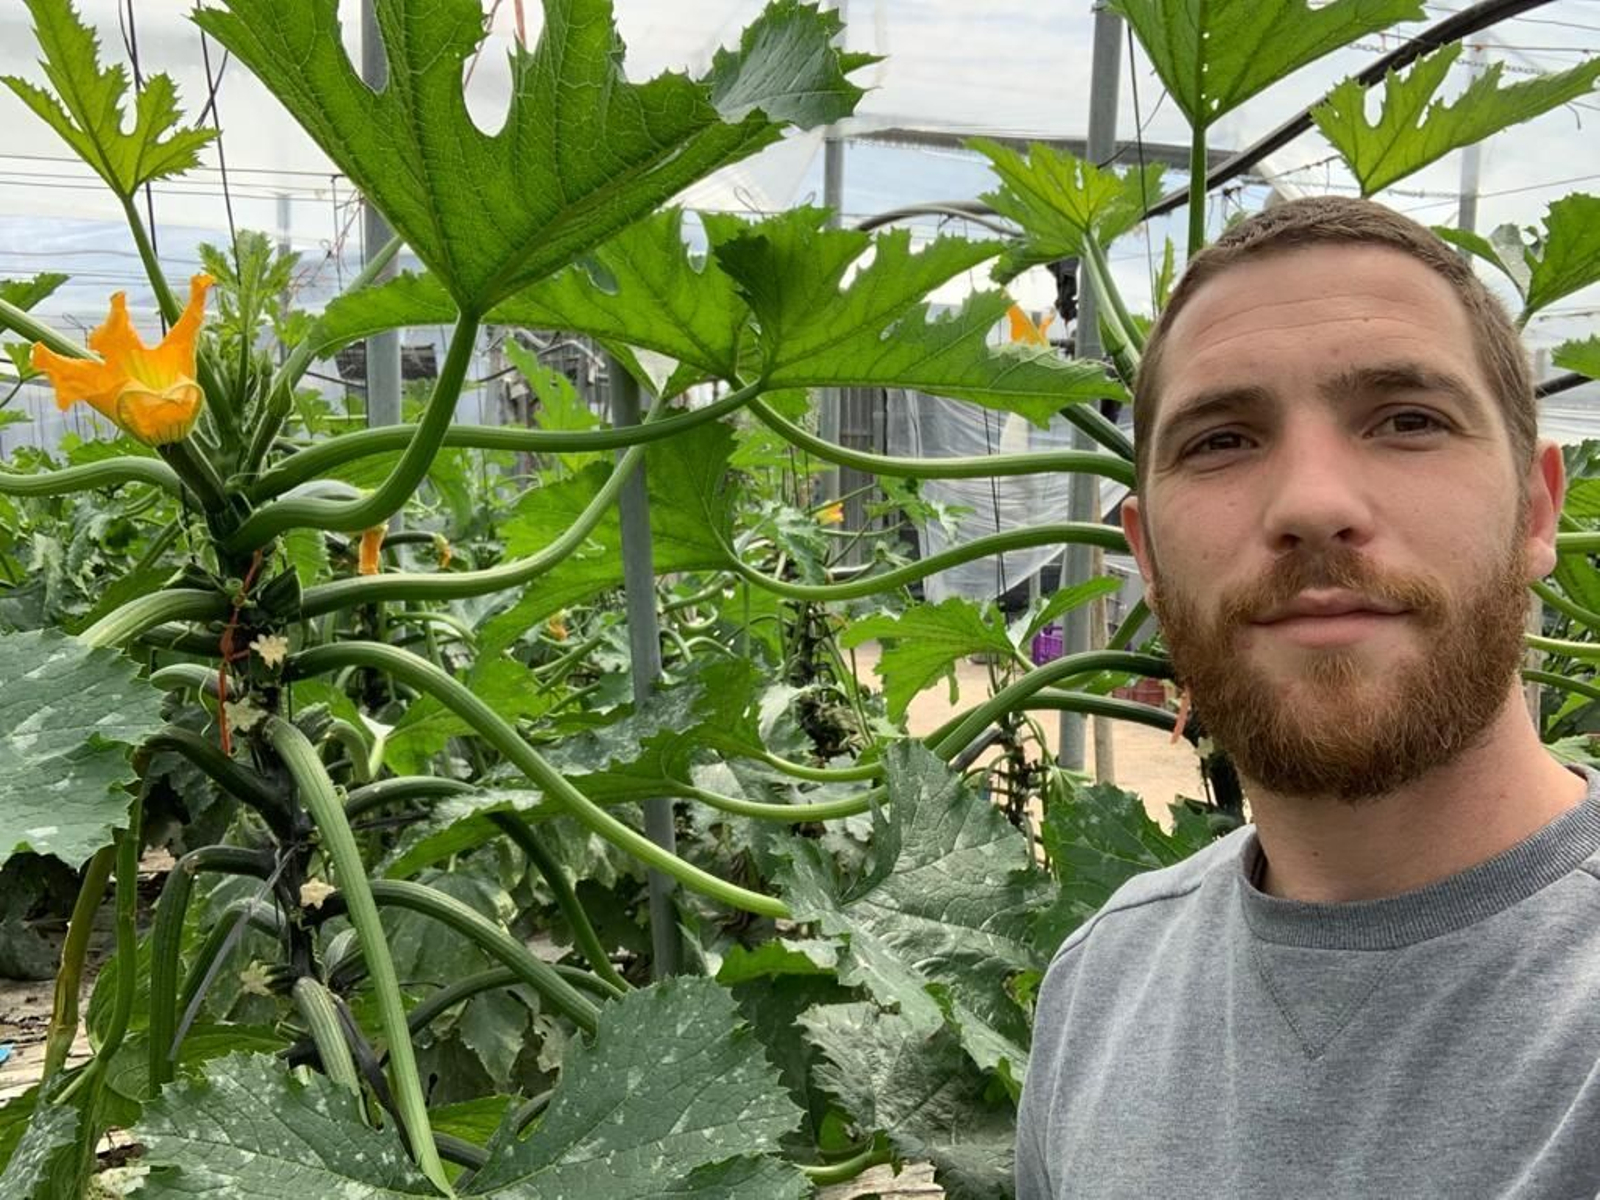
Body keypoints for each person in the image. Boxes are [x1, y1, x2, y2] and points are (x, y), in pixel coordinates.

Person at [1015, 195, 1600, 1199]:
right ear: (1146, 555)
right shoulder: (1101, 978)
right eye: (1222, 442)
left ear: (1535, 508)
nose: (1311, 505)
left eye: (1407, 420)